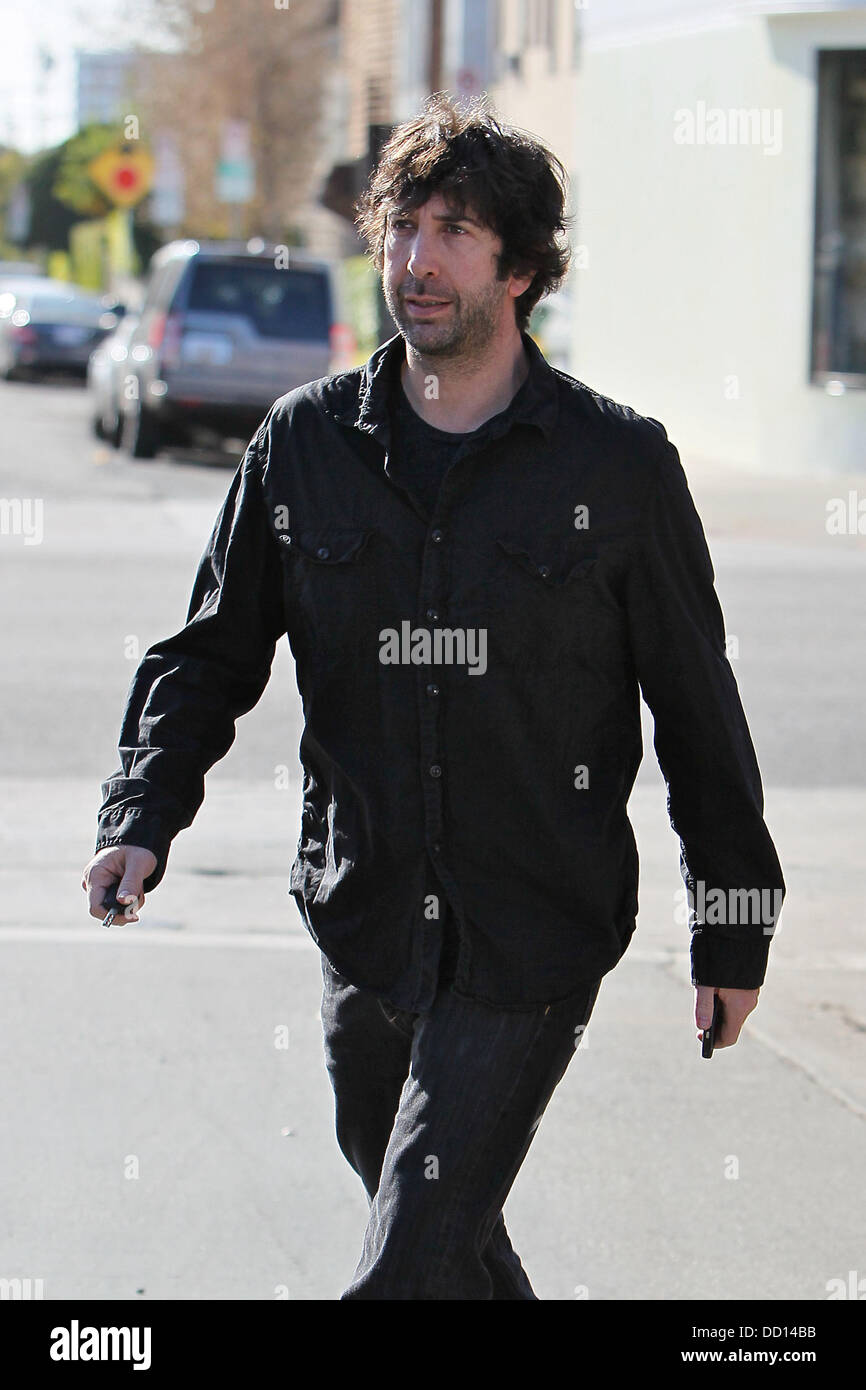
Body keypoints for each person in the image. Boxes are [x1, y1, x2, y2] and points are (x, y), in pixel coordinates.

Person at [81, 93, 785, 1299]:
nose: (416, 259)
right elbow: (210, 650)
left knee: (399, 1269)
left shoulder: (614, 467)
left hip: (531, 932)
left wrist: (731, 923)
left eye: (454, 230)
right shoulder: (305, 447)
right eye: (402, 226)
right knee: (439, 1234)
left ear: (519, 268)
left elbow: (695, 705)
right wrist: (141, 816)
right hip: (365, 920)